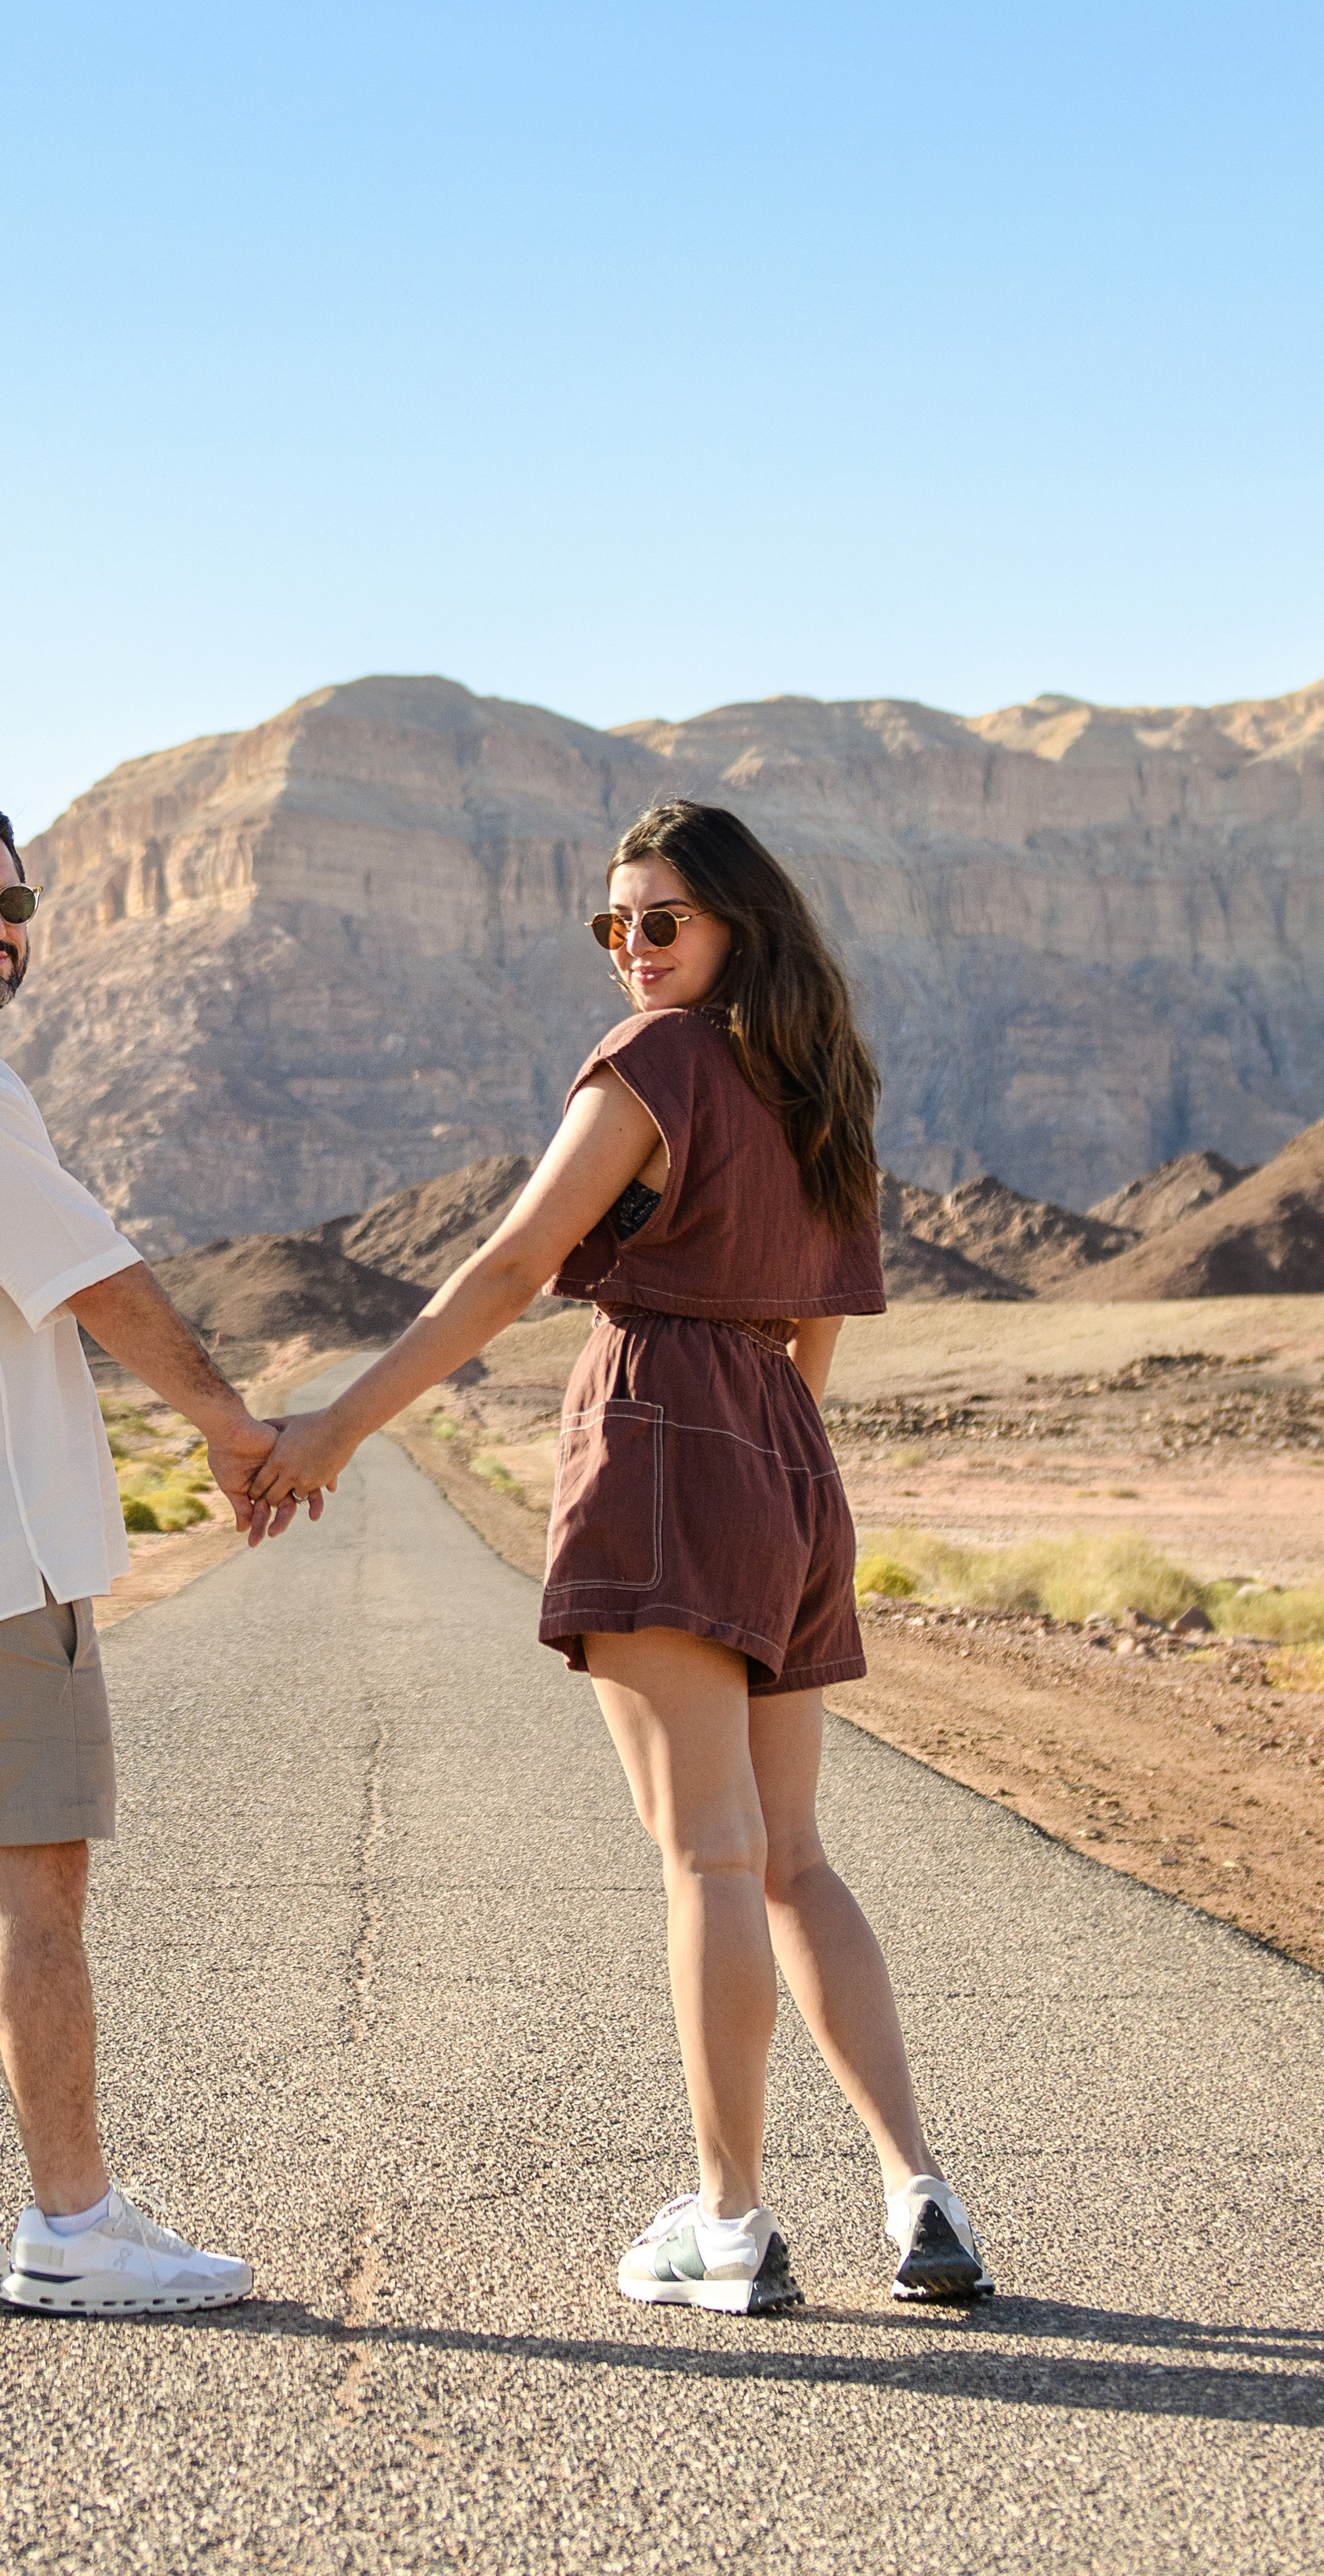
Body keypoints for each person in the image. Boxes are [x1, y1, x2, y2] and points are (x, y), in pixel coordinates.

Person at [252, 800, 992, 2316]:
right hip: (787, 1451)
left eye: (661, 922)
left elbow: (515, 1264)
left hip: (663, 1429)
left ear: (736, 927)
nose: (632, 952)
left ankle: (729, 2227)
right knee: (792, 1857)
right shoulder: (824, 1088)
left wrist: (339, 1424)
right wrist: (761, 1469)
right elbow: (815, 1335)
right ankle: (919, 2195)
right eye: (614, 927)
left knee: (710, 1855)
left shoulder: (661, 1063)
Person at [0, 792, 313, 2318]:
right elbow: (102, 1283)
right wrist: (229, 1426)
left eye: (12, 904)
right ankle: (73, 2223)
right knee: (36, 1882)